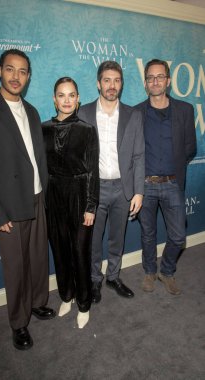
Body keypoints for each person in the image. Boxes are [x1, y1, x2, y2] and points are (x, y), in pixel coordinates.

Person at [0, 49, 55, 351]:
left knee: (39, 257)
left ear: (29, 76)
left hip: (37, 196)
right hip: (8, 207)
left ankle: (39, 302)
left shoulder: (32, 111)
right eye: (11, 70)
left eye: (23, 71)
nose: (16, 77)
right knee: (16, 267)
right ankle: (19, 322)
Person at [78, 61, 145, 303]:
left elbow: (138, 155)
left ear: (121, 84)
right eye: (107, 80)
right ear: (98, 83)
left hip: (123, 189)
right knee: (95, 239)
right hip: (94, 190)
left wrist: (139, 192)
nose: (112, 85)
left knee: (118, 236)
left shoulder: (133, 115)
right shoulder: (83, 113)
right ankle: (95, 279)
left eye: (116, 80)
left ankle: (113, 276)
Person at [135, 59, 196, 295]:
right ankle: (150, 271)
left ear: (168, 81)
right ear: (145, 83)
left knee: (179, 235)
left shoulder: (185, 110)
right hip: (145, 185)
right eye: (151, 77)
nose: (155, 81)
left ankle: (167, 270)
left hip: (173, 183)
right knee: (148, 234)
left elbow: (189, 148)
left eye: (160, 77)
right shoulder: (136, 113)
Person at [42, 77, 99, 328]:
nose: (67, 100)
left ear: (78, 99)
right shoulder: (42, 129)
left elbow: (92, 171)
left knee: (79, 251)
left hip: (79, 194)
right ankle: (67, 295)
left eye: (72, 95)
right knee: (60, 249)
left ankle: (84, 303)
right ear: (54, 99)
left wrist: (90, 205)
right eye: (62, 95)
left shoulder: (87, 130)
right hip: (53, 195)